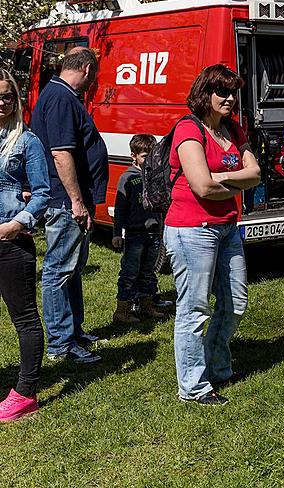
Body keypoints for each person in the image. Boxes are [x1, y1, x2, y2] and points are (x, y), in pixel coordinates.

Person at [165, 65, 260, 405]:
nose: (231, 99)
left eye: (234, 92)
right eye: (223, 92)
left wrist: (220, 180)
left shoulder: (233, 129)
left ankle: (217, 366)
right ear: (205, 94)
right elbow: (201, 187)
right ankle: (193, 387)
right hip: (192, 230)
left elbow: (256, 174)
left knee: (236, 301)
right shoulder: (188, 130)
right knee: (194, 308)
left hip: (227, 227)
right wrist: (234, 179)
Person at [31, 46, 108, 363]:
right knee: (58, 271)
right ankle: (61, 345)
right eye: (96, 75)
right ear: (88, 69)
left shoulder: (58, 94)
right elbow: (61, 154)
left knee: (72, 268)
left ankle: (73, 331)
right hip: (65, 201)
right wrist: (76, 201)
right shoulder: (62, 98)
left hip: (71, 200)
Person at [0, 71, 50, 422]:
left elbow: (43, 192)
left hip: (11, 240)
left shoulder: (26, 141)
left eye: (7, 95)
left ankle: (25, 392)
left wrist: (16, 224)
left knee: (25, 318)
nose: (1, 102)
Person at [111, 134, 167, 324]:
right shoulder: (127, 179)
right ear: (133, 156)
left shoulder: (155, 177)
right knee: (130, 272)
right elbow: (120, 208)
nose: (148, 160)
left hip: (154, 233)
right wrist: (117, 233)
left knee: (149, 271)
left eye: (152, 155)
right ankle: (123, 310)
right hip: (134, 234)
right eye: (145, 156)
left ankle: (146, 305)